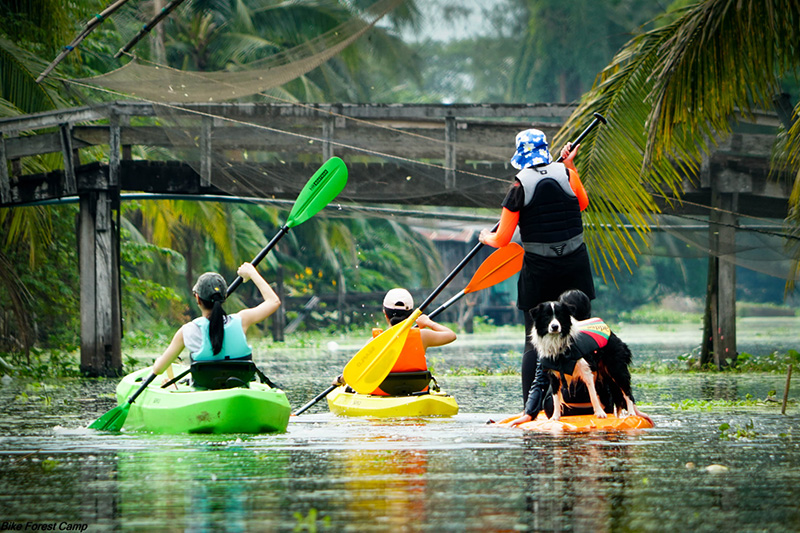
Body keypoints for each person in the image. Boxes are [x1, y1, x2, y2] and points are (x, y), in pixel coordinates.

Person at [478, 128, 595, 411]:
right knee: (581, 333)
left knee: (534, 340)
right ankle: (586, 403)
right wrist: (570, 165)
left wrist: (484, 236)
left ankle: (530, 409)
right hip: (575, 266)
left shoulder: (518, 188)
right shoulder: (566, 173)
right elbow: (582, 203)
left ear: (521, 157)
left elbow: (502, 240)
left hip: (540, 272)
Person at [504, 289, 653, 426]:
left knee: (549, 378)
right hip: (603, 407)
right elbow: (620, 374)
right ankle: (622, 407)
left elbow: (539, 382)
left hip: (562, 411)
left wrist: (528, 413)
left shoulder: (547, 347)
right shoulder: (598, 336)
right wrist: (633, 406)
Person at [152, 262, 281, 380]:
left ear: (197, 298)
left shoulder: (186, 331)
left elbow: (158, 370)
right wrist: (252, 272)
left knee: (166, 381)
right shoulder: (242, 320)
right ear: (224, 297)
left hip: (205, 386)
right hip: (239, 382)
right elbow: (274, 301)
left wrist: (159, 361)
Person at [336, 288, 456, 395]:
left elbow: (355, 372)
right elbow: (451, 335)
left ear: (385, 313)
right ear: (411, 314)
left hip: (383, 393)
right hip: (417, 390)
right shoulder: (423, 336)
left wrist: (339, 380)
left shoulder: (375, 341)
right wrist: (428, 322)